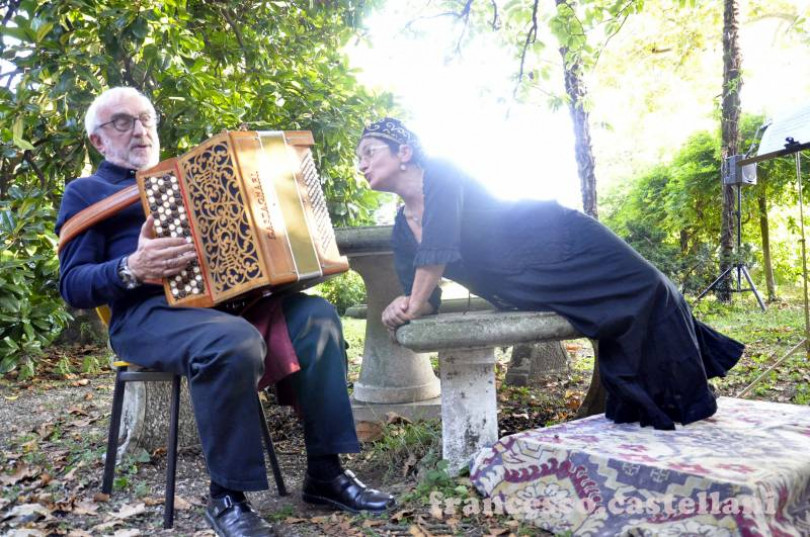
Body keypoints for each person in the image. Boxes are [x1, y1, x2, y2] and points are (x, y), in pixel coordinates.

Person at [56, 87, 395, 537]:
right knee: (231, 341)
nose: (139, 130)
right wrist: (131, 267)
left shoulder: (188, 180)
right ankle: (227, 499)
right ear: (98, 141)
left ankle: (325, 474)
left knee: (318, 318)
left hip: (232, 307)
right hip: (146, 315)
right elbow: (72, 285)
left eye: (146, 119)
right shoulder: (86, 192)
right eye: (122, 122)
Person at [357, 117, 745, 431]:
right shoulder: (401, 230)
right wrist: (401, 305)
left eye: (369, 152)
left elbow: (436, 254)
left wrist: (412, 300)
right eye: (360, 159)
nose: (362, 164)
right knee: (623, 310)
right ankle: (649, 404)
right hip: (526, 285)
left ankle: (688, 400)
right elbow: (426, 299)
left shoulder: (441, 173)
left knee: (651, 289)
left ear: (404, 152)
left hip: (563, 241)